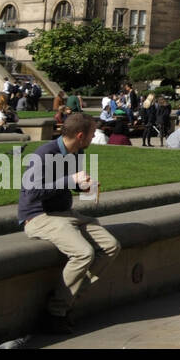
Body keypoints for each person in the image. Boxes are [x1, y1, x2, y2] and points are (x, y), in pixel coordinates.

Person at [18, 112, 120, 333]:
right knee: (84, 253)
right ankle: (56, 311)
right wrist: (70, 180)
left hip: (66, 213)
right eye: (93, 134)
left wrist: (84, 186)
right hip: (38, 216)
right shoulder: (45, 154)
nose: (95, 137)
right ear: (81, 135)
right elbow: (33, 191)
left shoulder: (77, 151)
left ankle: (68, 295)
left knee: (111, 246)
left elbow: (68, 185)